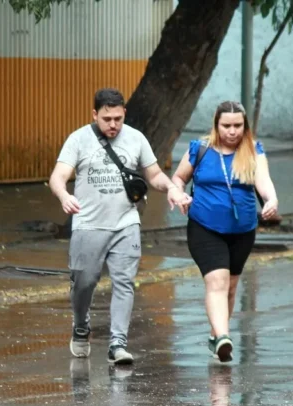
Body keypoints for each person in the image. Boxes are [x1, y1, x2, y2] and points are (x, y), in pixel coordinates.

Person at [49, 88, 191, 364]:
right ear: (95, 115)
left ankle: (118, 343)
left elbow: (154, 175)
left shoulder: (136, 138)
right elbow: (58, 176)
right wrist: (64, 196)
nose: (113, 124)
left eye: (118, 118)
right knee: (84, 283)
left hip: (126, 224)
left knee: (124, 282)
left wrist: (172, 189)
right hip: (88, 225)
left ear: (124, 113)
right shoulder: (78, 139)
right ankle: (81, 324)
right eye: (107, 119)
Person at [171, 101, 279, 362]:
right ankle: (223, 337)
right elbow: (178, 178)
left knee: (230, 287)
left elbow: (263, 180)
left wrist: (271, 199)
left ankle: (216, 336)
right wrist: (178, 194)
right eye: (226, 125)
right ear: (216, 125)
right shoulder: (201, 149)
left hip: (242, 230)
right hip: (204, 227)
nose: (232, 131)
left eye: (238, 125)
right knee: (217, 282)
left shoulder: (253, 150)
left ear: (245, 126)